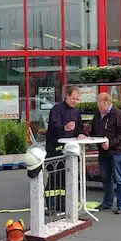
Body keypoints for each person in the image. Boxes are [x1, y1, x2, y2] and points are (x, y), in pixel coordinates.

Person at [44, 86, 86, 215]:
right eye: (73, 98)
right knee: (54, 176)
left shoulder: (76, 112)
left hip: (70, 149)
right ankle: (50, 205)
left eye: (78, 99)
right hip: (55, 148)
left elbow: (80, 127)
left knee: (65, 177)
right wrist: (64, 127)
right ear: (67, 96)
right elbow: (53, 125)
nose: (75, 101)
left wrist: (81, 134)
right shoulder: (57, 109)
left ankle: (62, 204)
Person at [88, 92, 121, 214]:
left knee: (119, 178)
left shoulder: (117, 114)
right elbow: (94, 130)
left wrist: (110, 143)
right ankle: (107, 202)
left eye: (100, 104)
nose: (98, 107)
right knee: (105, 178)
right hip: (103, 151)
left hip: (117, 151)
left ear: (107, 102)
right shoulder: (97, 114)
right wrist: (90, 138)